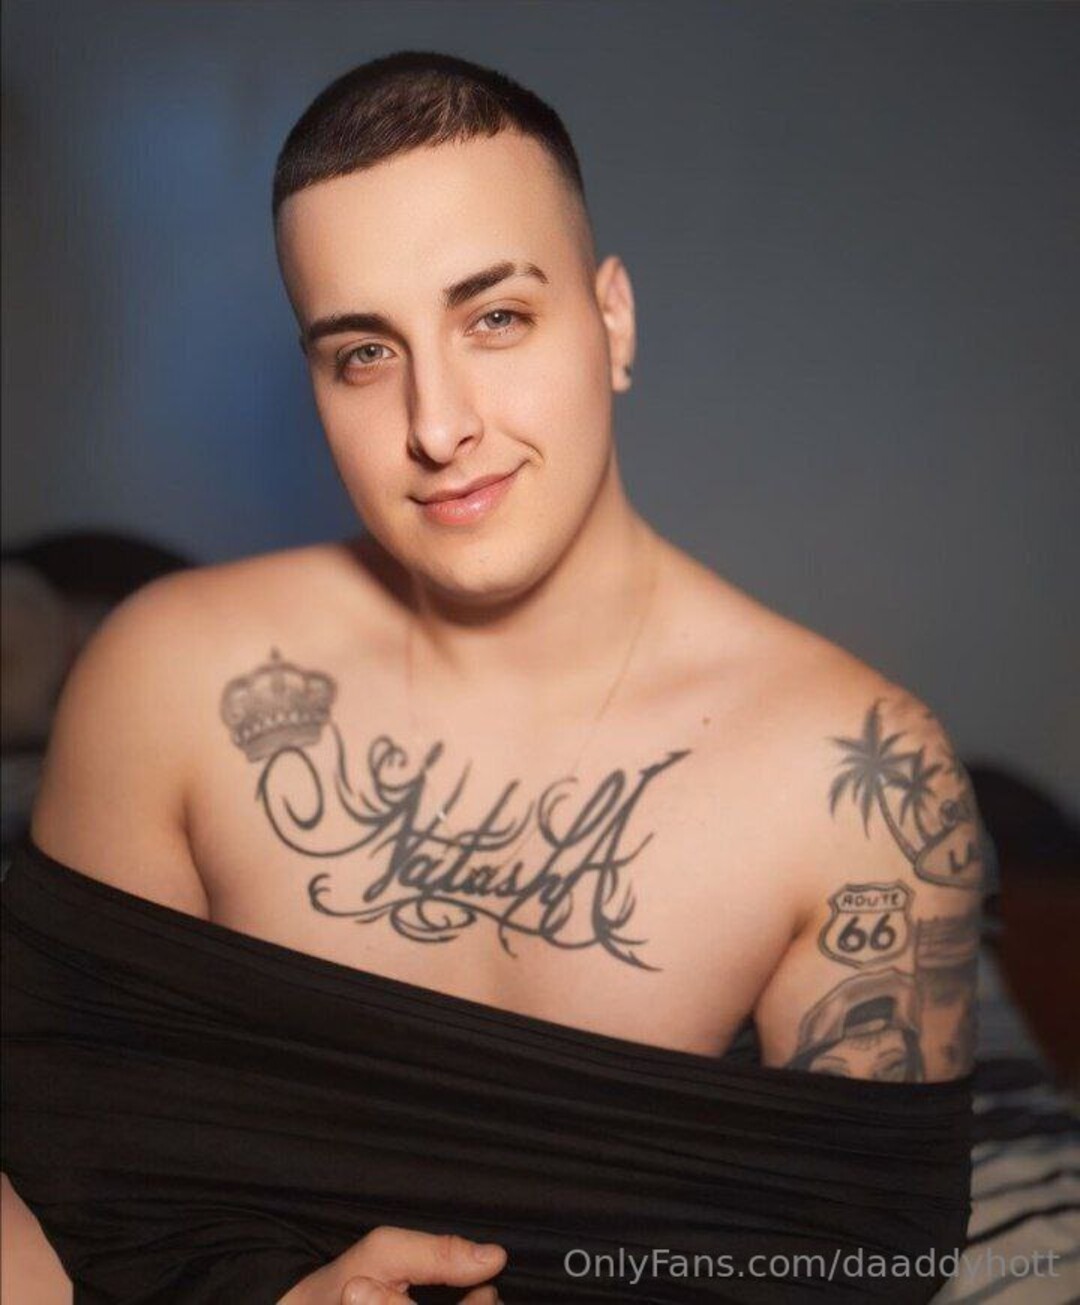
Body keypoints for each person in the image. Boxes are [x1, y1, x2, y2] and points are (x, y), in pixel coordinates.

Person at [2, 50, 986, 1303]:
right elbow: (62, 1170)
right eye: (365, 353)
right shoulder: (167, 678)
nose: (437, 424)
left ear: (613, 321)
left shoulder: (856, 777)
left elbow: (859, 1263)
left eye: (497, 319)